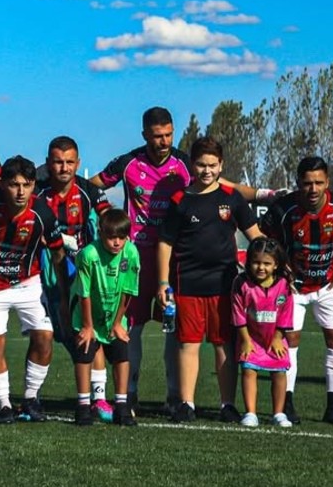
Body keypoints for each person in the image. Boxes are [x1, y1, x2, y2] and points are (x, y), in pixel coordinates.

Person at [89, 107, 191, 412]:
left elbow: (215, 186)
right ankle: (129, 392)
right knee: (131, 327)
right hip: (134, 260)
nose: (164, 141)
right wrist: (106, 212)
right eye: (157, 136)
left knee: (173, 327)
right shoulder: (128, 163)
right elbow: (92, 185)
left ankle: (174, 395)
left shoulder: (184, 164)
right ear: (145, 134)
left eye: (169, 135)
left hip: (173, 259)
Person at [158, 137, 262, 423]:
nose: (207, 171)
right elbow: (165, 243)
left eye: (213, 165)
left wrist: (278, 264)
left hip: (225, 285)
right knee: (188, 344)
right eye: (202, 165)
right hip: (187, 284)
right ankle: (186, 404)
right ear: (192, 165)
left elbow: (256, 237)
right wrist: (163, 282)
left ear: (221, 165)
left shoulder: (232, 198)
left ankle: (227, 404)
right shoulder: (180, 200)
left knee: (223, 344)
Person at [260, 156, 333, 425]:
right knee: (289, 342)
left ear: (327, 182)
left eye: (318, 182)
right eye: (307, 183)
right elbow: (266, 238)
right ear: (298, 183)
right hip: (293, 287)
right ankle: (287, 405)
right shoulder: (282, 209)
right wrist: (280, 268)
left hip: (329, 285)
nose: (313, 189)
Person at [0, 156, 67, 424]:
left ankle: (30, 398)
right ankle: (3, 403)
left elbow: (58, 254)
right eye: (14, 184)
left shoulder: (43, 212)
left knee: (45, 337)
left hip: (28, 284)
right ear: (3, 184)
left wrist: (62, 295)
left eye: (26, 185)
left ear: (33, 185)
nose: (20, 192)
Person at [37, 136, 113, 421]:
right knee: (45, 333)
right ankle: (31, 398)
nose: (64, 168)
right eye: (58, 162)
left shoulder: (89, 192)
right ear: (48, 163)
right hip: (43, 271)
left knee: (90, 333)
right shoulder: (37, 193)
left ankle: (99, 398)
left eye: (69, 162)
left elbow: (110, 222)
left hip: (80, 270)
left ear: (78, 164)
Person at [70, 209, 138, 427]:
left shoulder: (131, 253)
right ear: (100, 234)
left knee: (121, 352)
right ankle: (83, 405)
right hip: (87, 311)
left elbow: (128, 290)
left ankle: (122, 405)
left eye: (122, 237)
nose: (117, 242)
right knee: (85, 351)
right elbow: (84, 292)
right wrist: (88, 326)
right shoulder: (88, 254)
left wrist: (117, 323)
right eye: (111, 237)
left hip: (115, 313)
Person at [232, 237, 295, 428]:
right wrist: (245, 340)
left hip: (275, 338)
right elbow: (238, 314)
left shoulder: (284, 285)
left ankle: (279, 413)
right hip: (250, 338)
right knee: (248, 370)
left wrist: (277, 338)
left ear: (276, 265)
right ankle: (251, 413)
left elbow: (286, 314)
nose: (261, 267)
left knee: (279, 372)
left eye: (267, 264)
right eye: (256, 262)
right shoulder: (241, 283)